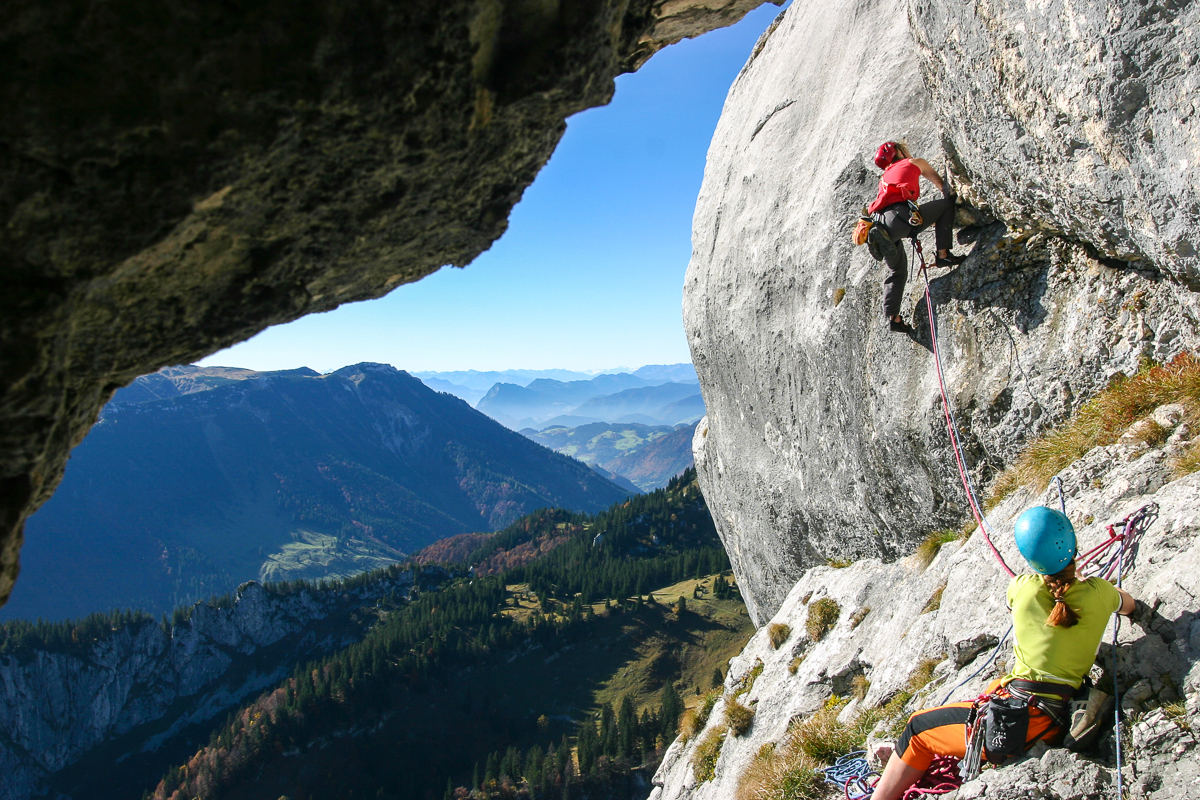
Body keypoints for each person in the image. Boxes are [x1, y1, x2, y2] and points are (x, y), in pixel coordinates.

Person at [869, 507, 1137, 800]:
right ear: (1073, 545)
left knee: (917, 728)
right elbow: (1128, 605)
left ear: (1030, 558)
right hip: (1056, 718)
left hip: (1018, 721)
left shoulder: (1023, 588)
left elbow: (1029, 601)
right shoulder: (1100, 592)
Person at [865, 141, 968, 334]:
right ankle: (943, 254)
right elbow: (941, 185)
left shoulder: (884, 178)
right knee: (946, 205)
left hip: (881, 226)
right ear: (900, 151)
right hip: (901, 218)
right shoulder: (914, 162)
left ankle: (893, 317)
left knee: (898, 272)